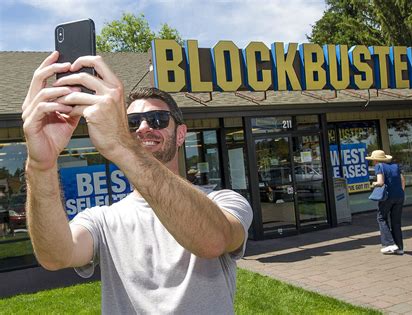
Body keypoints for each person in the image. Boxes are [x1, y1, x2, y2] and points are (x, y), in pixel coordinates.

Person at [22, 51, 253, 314]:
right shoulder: (103, 220)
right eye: (132, 123)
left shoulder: (223, 202)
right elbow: (55, 256)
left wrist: (122, 143)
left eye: (157, 119)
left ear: (180, 135)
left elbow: (212, 241)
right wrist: (41, 164)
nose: (143, 128)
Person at [367, 150, 405, 255]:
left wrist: (373, 184)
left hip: (387, 197)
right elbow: (402, 180)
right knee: (396, 222)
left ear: (375, 160)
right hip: (399, 196)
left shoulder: (379, 166)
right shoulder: (395, 166)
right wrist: (400, 192)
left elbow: (381, 182)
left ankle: (389, 243)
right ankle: (400, 248)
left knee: (381, 218)